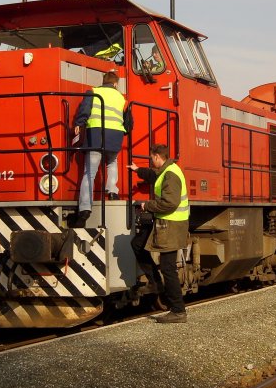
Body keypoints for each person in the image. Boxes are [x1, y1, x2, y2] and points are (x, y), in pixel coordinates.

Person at [127, 144, 189, 323]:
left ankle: (178, 311)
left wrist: (148, 205)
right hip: (164, 222)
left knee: (168, 267)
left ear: (156, 157)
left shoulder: (171, 174)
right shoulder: (165, 170)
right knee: (137, 244)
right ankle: (155, 282)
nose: (151, 162)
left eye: (151, 159)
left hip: (171, 224)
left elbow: (170, 202)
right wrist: (138, 170)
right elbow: (153, 175)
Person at [72, 71, 127, 227]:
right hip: (115, 136)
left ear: (104, 82)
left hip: (96, 135)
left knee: (89, 173)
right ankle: (113, 191)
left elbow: (85, 110)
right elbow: (129, 121)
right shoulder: (121, 98)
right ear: (115, 84)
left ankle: (84, 209)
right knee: (112, 162)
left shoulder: (93, 92)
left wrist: (79, 123)